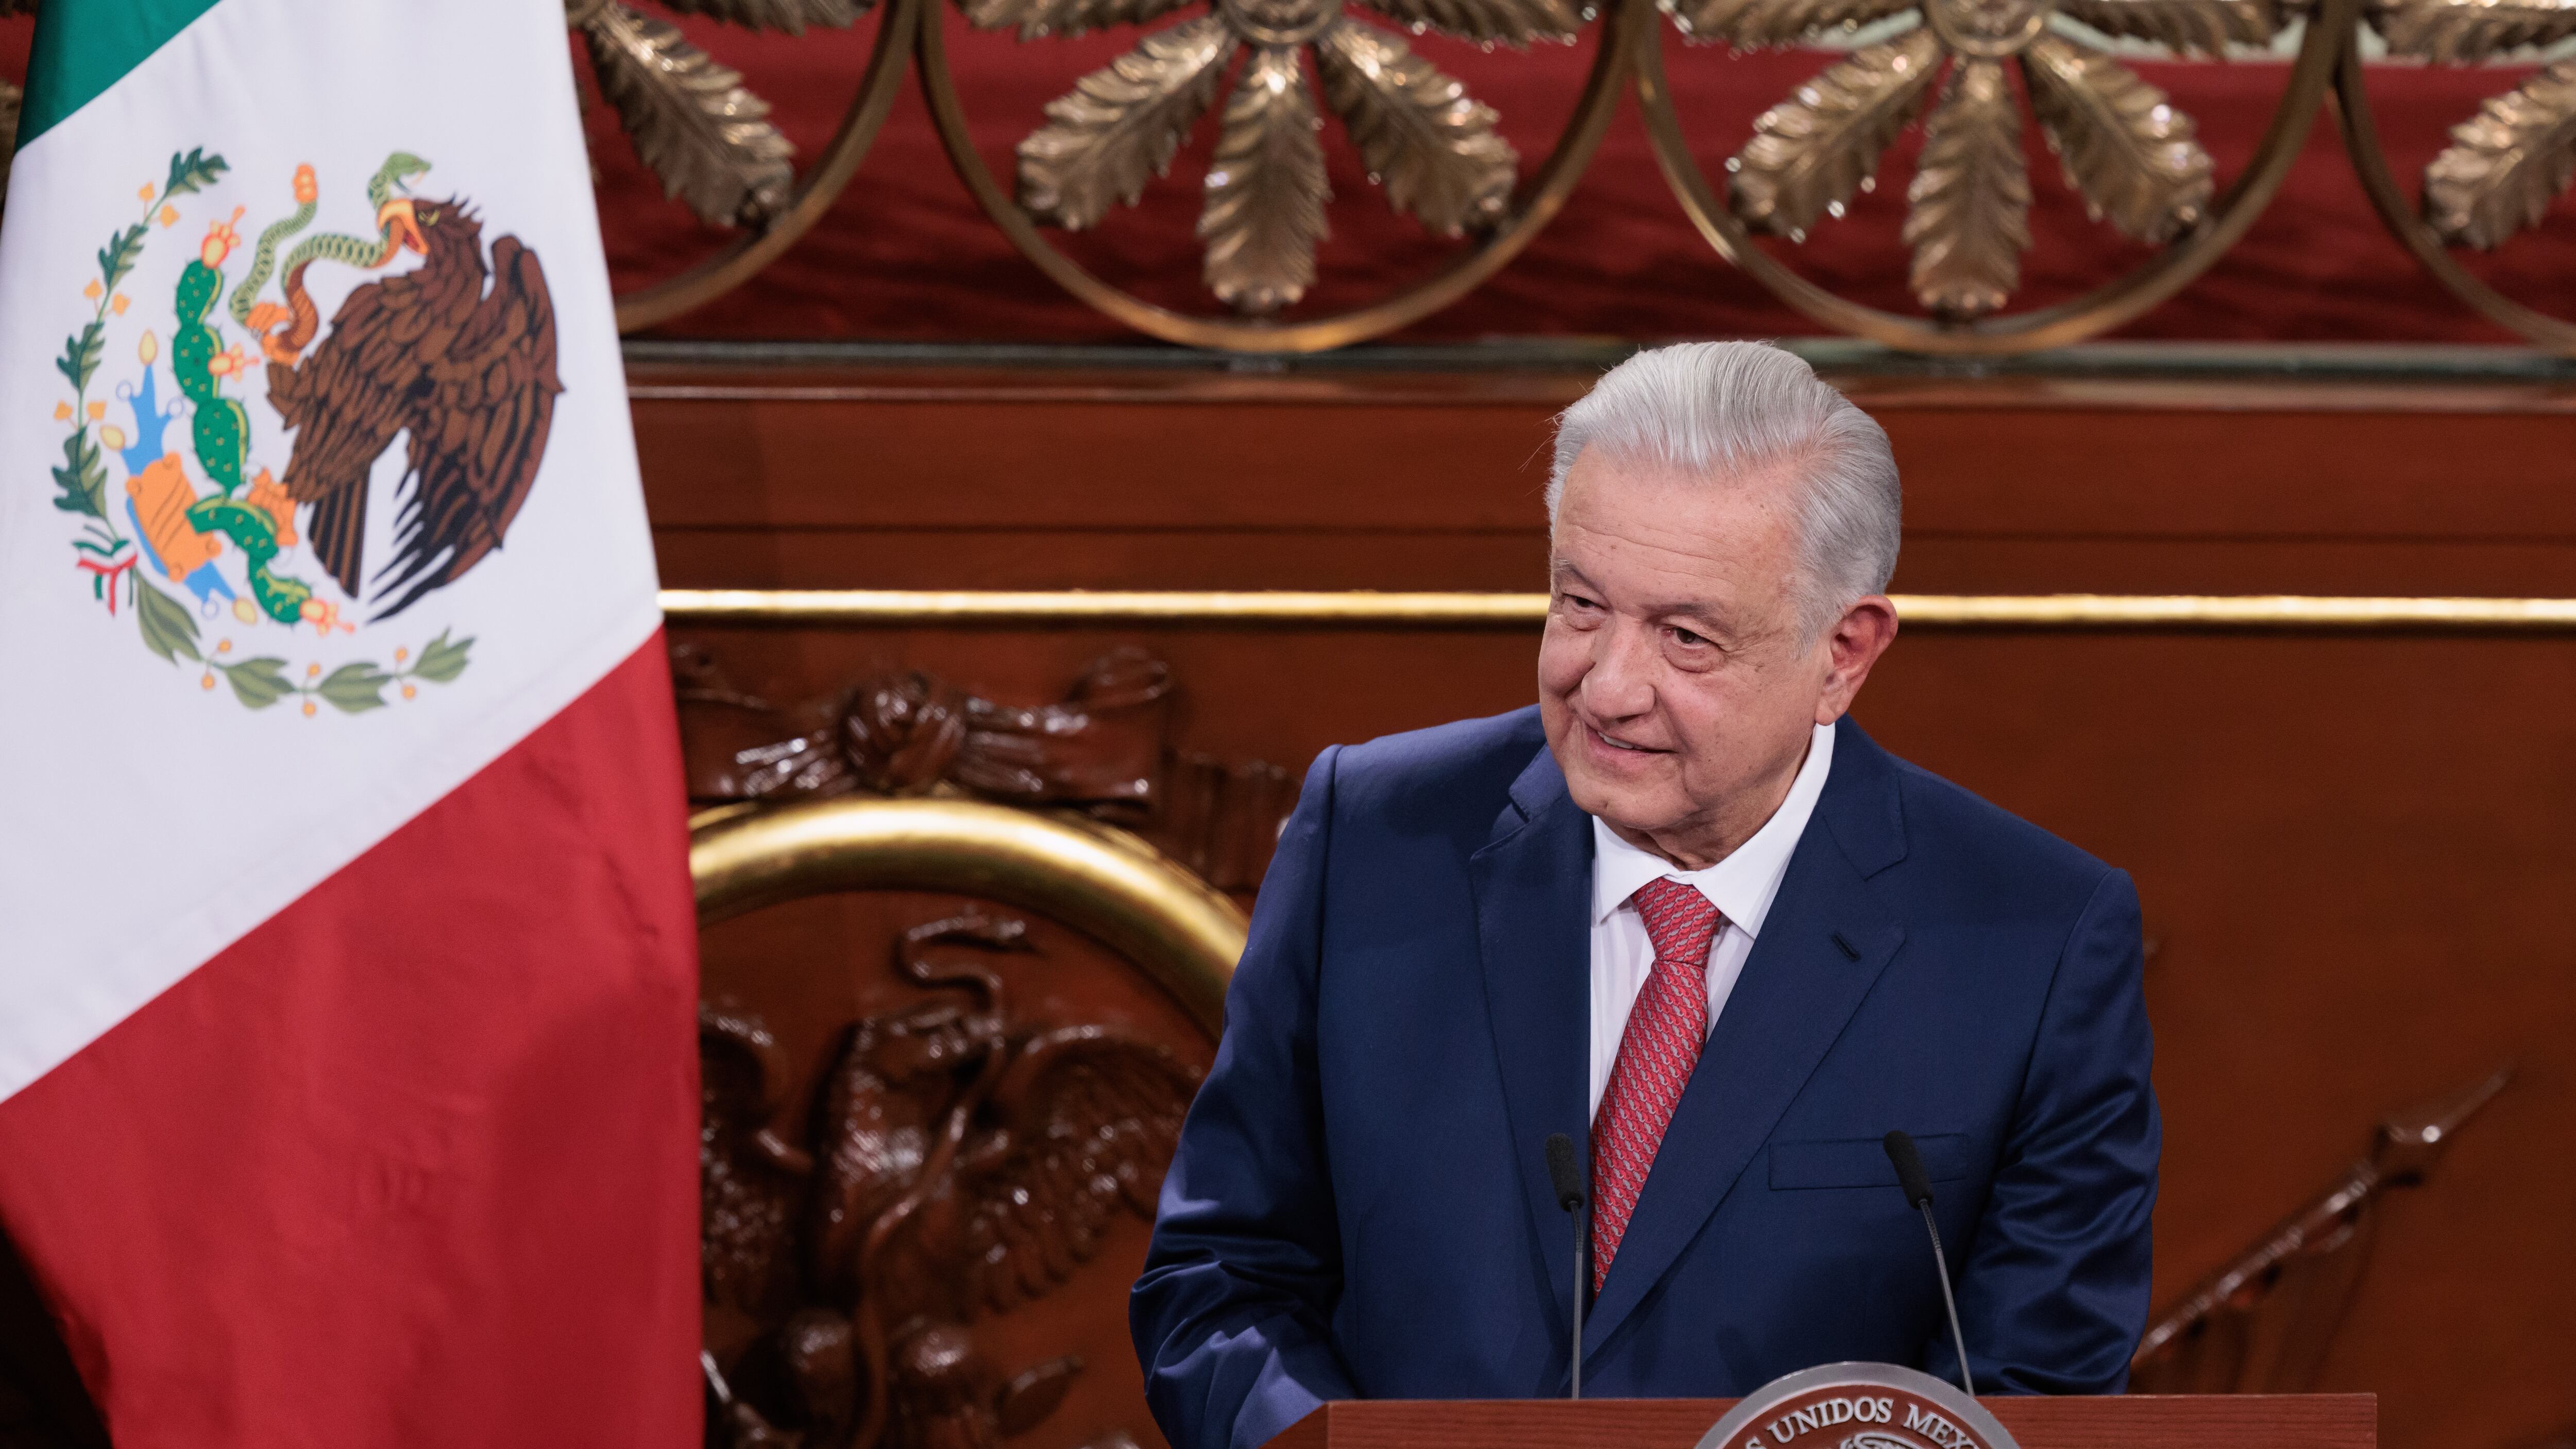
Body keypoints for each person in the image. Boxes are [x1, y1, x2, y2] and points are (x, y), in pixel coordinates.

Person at [1128, 341, 2159, 1449]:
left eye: (1685, 635)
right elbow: (1221, 1276)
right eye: (1580, 604)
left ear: (1843, 653)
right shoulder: (1373, 837)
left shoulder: (2036, 941)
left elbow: (2026, 1390)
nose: (1607, 685)